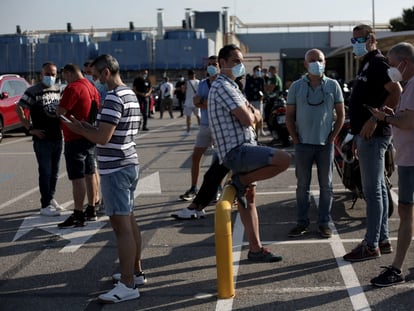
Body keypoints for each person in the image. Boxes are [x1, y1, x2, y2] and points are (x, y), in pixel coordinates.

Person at [63, 54, 145, 303]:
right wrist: (86, 127)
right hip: (129, 162)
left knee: (122, 229)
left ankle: (128, 284)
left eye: (96, 75)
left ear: (106, 72)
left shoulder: (112, 98)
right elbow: (112, 132)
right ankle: (136, 272)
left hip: (115, 169)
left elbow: (103, 138)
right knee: (130, 221)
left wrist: (78, 130)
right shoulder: (129, 94)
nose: (93, 79)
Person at [343, 24, 402, 262]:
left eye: (361, 38)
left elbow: (396, 92)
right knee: (378, 189)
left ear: (372, 38)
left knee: (372, 192)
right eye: (354, 39)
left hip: (374, 135)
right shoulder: (366, 63)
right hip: (365, 135)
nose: (356, 42)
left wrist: (374, 120)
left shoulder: (378, 62)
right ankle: (383, 240)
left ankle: (371, 244)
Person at [208, 44, 291, 210]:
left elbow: (250, 111)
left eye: (241, 61)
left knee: (249, 201)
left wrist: (253, 113)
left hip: (245, 147)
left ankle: (255, 238)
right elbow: (248, 118)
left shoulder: (233, 86)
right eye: (236, 61)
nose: (240, 65)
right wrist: (254, 114)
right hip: (237, 151)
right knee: (284, 159)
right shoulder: (223, 86)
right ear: (223, 62)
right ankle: (241, 181)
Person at [285, 49, 345, 239]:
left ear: (325, 63)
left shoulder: (333, 85)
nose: (316, 63)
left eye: (319, 60)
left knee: (326, 186)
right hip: (303, 144)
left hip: (325, 145)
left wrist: (332, 137)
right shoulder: (296, 87)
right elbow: (289, 116)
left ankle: (324, 223)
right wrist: (295, 139)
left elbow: (341, 115)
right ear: (305, 64)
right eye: (312, 60)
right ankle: (302, 222)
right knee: (303, 186)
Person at [369, 42, 414, 286]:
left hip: (411, 161)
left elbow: (409, 122)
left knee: (406, 211)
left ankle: (396, 268)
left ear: (405, 63)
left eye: (393, 63)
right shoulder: (409, 85)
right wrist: (392, 114)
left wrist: (385, 117)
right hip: (408, 158)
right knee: (408, 211)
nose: (390, 69)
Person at [15, 62, 63, 216]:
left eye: (53, 74)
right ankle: (45, 205)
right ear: (41, 75)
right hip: (42, 139)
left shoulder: (57, 89)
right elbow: (19, 108)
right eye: (47, 74)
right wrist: (30, 129)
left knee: (55, 172)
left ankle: (51, 197)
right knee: (45, 171)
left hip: (57, 136)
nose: (50, 77)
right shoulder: (33, 91)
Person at [56, 63, 100, 228]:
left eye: (65, 76)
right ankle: (92, 208)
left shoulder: (73, 87)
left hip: (74, 137)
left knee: (77, 178)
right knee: (90, 173)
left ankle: (78, 214)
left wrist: (57, 111)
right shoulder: (92, 87)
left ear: (68, 73)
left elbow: (60, 111)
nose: (64, 79)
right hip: (89, 135)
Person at [178, 55, 220, 203]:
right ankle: (194, 187)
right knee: (196, 157)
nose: (212, 67)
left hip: (220, 126)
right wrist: (206, 102)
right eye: (209, 64)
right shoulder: (203, 83)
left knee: (219, 160)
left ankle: (218, 188)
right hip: (205, 125)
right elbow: (197, 101)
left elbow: (218, 103)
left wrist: (205, 102)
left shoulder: (223, 83)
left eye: (214, 64)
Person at [83, 60, 103, 211]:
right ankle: (96, 198)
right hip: (91, 130)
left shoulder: (102, 87)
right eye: (86, 73)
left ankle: (97, 200)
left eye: (90, 73)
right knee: (94, 167)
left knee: (95, 168)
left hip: (100, 131)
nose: (88, 76)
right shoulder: (86, 86)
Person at [244, 65, 267, 136]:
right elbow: (246, 89)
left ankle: (261, 129)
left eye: (259, 71)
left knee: (260, 115)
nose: (258, 72)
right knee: (251, 115)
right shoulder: (249, 79)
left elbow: (263, 89)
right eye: (257, 70)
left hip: (258, 99)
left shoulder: (261, 80)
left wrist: (263, 96)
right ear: (254, 71)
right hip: (251, 100)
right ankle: (253, 131)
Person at [182, 69, 200, 135]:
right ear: (195, 74)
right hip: (196, 102)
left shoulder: (187, 82)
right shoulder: (198, 82)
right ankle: (201, 130)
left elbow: (183, 91)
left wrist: (183, 88)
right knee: (198, 116)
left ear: (189, 75)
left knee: (188, 117)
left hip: (188, 102)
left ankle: (188, 131)